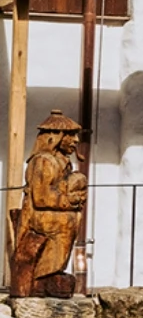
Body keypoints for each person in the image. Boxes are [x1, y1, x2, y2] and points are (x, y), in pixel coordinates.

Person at [10, 111, 86, 297]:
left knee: (72, 218)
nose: (76, 140)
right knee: (66, 222)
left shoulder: (62, 162)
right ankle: (42, 275)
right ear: (56, 137)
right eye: (70, 135)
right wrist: (71, 200)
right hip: (38, 216)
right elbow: (41, 198)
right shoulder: (44, 161)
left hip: (52, 212)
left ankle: (53, 271)